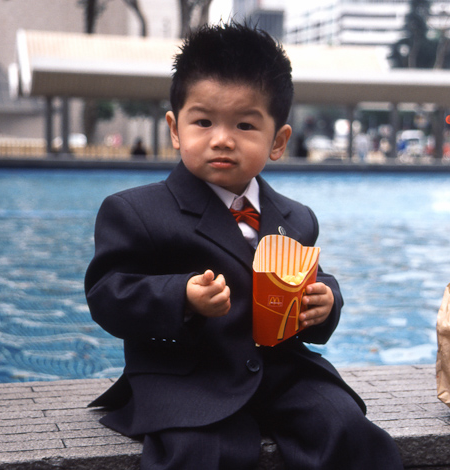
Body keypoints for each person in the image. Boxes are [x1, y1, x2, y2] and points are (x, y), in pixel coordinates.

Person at [84, 22, 403, 470]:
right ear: (175, 129)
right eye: (203, 121)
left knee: (346, 428)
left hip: (282, 373)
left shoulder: (296, 217)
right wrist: (182, 297)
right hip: (189, 379)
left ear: (278, 141)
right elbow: (107, 294)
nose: (222, 138)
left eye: (245, 124)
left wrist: (324, 301)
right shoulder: (135, 211)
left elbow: (309, 276)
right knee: (198, 453)